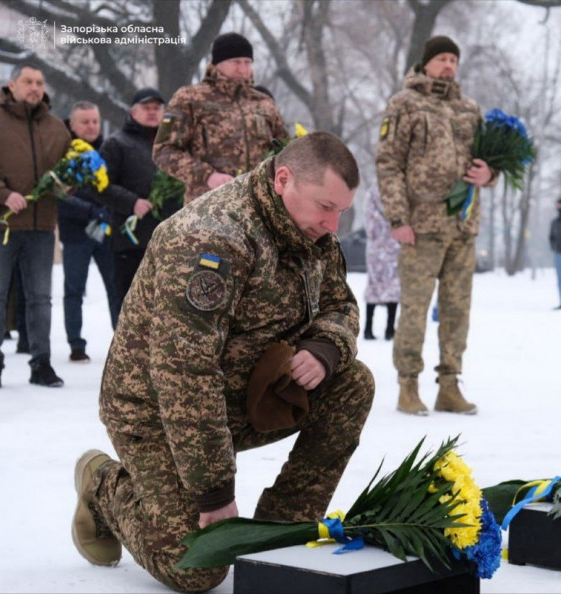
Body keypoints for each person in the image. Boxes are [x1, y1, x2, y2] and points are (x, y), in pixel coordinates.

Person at [71, 132, 374, 592]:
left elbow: (342, 306)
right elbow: (184, 375)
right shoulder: (210, 238)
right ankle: (103, 484)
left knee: (353, 382)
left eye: (341, 211)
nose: (333, 225)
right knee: (196, 568)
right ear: (283, 180)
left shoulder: (309, 230)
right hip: (156, 411)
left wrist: (324, 348)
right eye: (325, 207)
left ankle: (280, 532)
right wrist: (214, 491)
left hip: (243, 396)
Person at [376, 35, 497, 416]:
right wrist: (398, 218)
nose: (448, 65)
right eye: (442, 58)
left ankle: (449, 385)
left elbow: (486, 161)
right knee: (414, 307)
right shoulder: (404, 104)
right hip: (420, 224)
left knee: (457, 309)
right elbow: (389, 163)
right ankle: (408, 385)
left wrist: (489, 174)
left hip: (462, 226)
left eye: (453, 60)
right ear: (426, 63)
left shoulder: (469, 108)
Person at [0, 62, 71, 388]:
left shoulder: (57, 126)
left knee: (40, 299)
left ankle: (41, 364)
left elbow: (65, 172)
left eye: (40, 82)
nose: (35, 87)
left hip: (41, 226)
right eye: (28, 81)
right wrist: (2, 194)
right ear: (11, 85)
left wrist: (68, 184)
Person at [153, 32, 289, 203]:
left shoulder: (264, 103)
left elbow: (284, 150)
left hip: (257, 207)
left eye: (247, 62)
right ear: (217, 64)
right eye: (236, 62)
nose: (243, 69)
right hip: (207, 208)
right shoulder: (190, 98)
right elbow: (164, 151)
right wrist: (207, 176)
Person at [100, 87, 181, 319]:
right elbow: (100, 186)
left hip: (169, 239)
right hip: (130, 241)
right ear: (133, 112)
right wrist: (131, 202)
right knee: (130, 306)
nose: (152, 112)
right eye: (146, 108)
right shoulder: (116, 144)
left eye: (157, 108)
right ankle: (125, 354)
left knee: (165, 306)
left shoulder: (172, 146)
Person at [58, 101, 119, 362]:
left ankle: (122, 341)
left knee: (116, 288)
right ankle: (76, 343)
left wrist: (108, 210)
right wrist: (90, 211)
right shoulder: (62, 152)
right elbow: (58, 193)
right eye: (85, 121)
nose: (91, 126)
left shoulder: (110, 150)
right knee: (74, 289)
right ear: (72, 124)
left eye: (95, 121)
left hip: (107, 230)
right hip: (76, 232)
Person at [362, 186, 399, 341]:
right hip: (393, 244)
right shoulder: (397, 190)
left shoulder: (372, 192)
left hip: (377, 246)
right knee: (392, 285)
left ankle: (369, 328)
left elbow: (369, 220)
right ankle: (389, 329)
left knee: (376, 286)